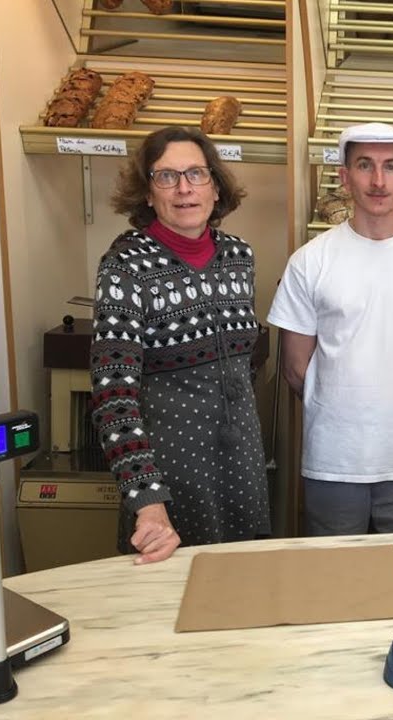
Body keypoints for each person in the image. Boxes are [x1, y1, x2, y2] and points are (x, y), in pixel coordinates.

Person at [268, 122, 393, 536]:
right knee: (334, 584)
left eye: (391, 166)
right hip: (332, 461)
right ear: (344, 177)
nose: (378, 180)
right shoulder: (310, 261)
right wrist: (340, 408)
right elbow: (294, 367)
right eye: (365, 165)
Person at [90, 126, 271, 565]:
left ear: (215, 186)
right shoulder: (125, 267)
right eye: (166, 176)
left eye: (196, 174)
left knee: (243, 598)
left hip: (241, 469)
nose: (184, 188)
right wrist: (148, 503)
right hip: (171, 479)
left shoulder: (238, 256)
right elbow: (114, 399)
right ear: (148, 193)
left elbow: (240, 370)